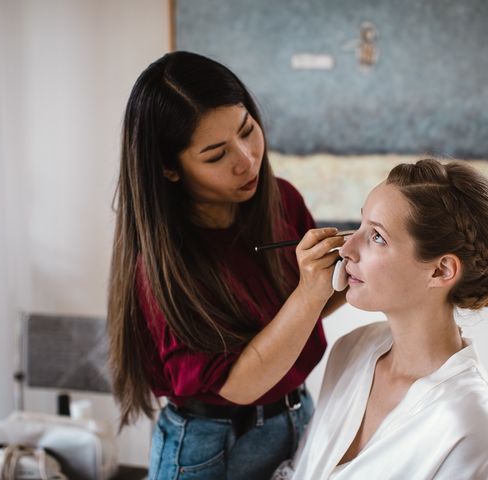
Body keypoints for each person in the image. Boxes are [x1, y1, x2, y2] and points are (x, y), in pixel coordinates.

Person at [106, 51, 346, 480]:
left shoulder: (282, 199)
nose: (246, 159)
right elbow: (239, 383)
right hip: (210, 446)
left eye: (248, 131)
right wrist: (312, 291)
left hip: (297, 415)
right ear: (169, 169)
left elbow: (303, 312)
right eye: (216, 155)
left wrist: (352, 270)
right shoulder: (165, 263)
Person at [286, 158, 488, 479]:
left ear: (440, 270)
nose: (346, 248)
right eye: (360, 224)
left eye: (377, 236)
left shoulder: (470, 419)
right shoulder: (351, 350)